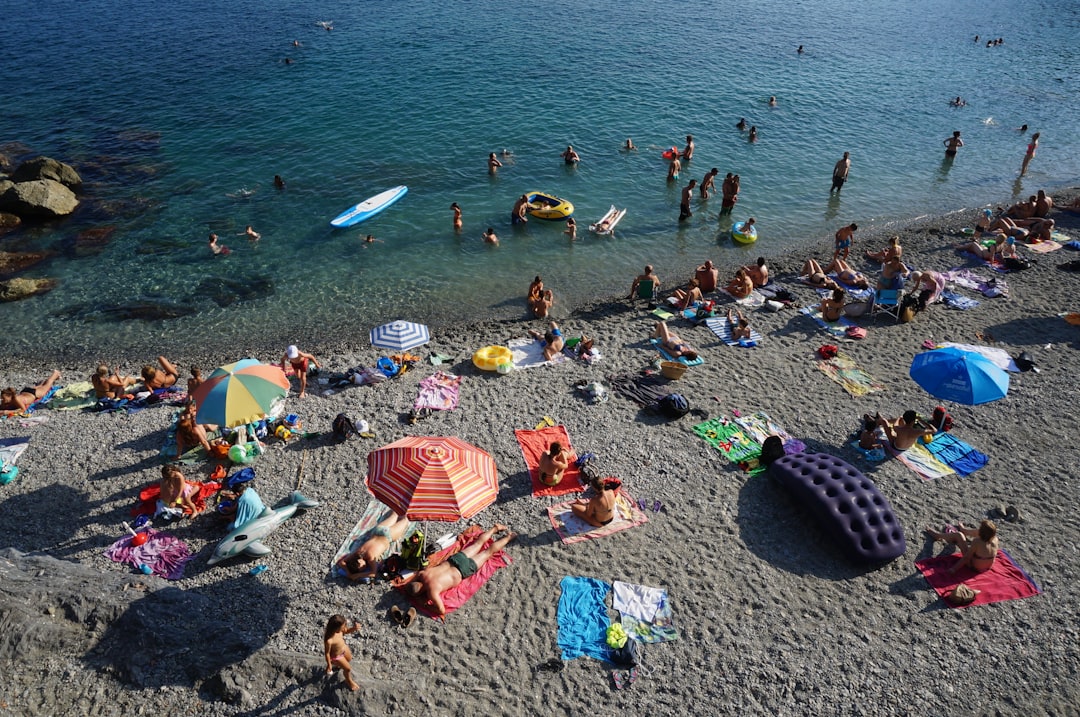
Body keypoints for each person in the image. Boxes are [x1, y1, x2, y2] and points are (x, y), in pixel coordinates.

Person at [392, 524, 516, 618]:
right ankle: (495, 528)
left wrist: (425, 605)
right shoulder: (423, 574)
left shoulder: (432, 591)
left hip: (463, 570)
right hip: (456, 559)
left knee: (488, 552)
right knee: (478, 543)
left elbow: (441, 610)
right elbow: (415, 576)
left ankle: (509, 537)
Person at [336, 512, 412, 581]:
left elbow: (373, 573)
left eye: (362, 566)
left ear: (358, 561)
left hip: (388, 535)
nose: (365, 567)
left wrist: (356, 575)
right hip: (378, 530)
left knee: (405, 519)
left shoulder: (370, 557)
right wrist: (349, 572)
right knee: (395, 513)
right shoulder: (358, 552)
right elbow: (341, 563)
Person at [925, 520, 1000, 575]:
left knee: (959, 535)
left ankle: (938, 536)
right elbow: (982, 534)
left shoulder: (977, 541)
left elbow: (966, 558)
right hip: (987, 567)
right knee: (981, 532)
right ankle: (964, 530)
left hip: (974, 566)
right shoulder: (995, 539)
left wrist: (954, 569)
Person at [323, 615, 361, 691]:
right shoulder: (329, 640)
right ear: (336, 628)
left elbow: (346, 631)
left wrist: (354, 628)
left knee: (349, 659)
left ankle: (339, 666)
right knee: (348, 669)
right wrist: (329, 664)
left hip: (343, 649)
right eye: (343, 626)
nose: (344, 628)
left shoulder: (340, 631)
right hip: (337, 656)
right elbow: (327, 653)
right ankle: (349, 681)